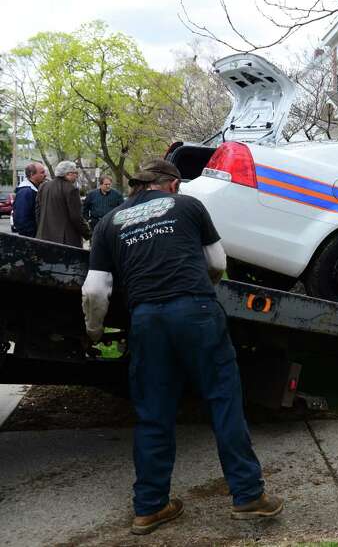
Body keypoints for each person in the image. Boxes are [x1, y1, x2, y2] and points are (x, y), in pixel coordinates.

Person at [81, 159, 282, 535]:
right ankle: (248, 496)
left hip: (147, 319)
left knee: (153, 412)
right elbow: (217, 261)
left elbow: (94, 290)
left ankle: (150, 508)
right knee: (223, 401)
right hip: (197, 310)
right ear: (171, 185)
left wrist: (94, 332)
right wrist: (199, 290)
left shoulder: (108, 223)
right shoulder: (188, 207)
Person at [35, 160, 91, 247]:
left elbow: (38, 211)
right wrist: (88, 234)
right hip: (65, 240)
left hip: (43, 237)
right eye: (75, 173)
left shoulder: (44, 186)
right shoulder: (71, 189)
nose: (76, 175)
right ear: (67, 174)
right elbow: (76, 217)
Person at [11, 162, 47, 237]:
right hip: (31, 237)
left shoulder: (32, 189)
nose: (45, 175)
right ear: (32, 174)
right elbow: (21, 219)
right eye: (42, 172)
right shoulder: (26, 192)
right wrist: (33, 235)